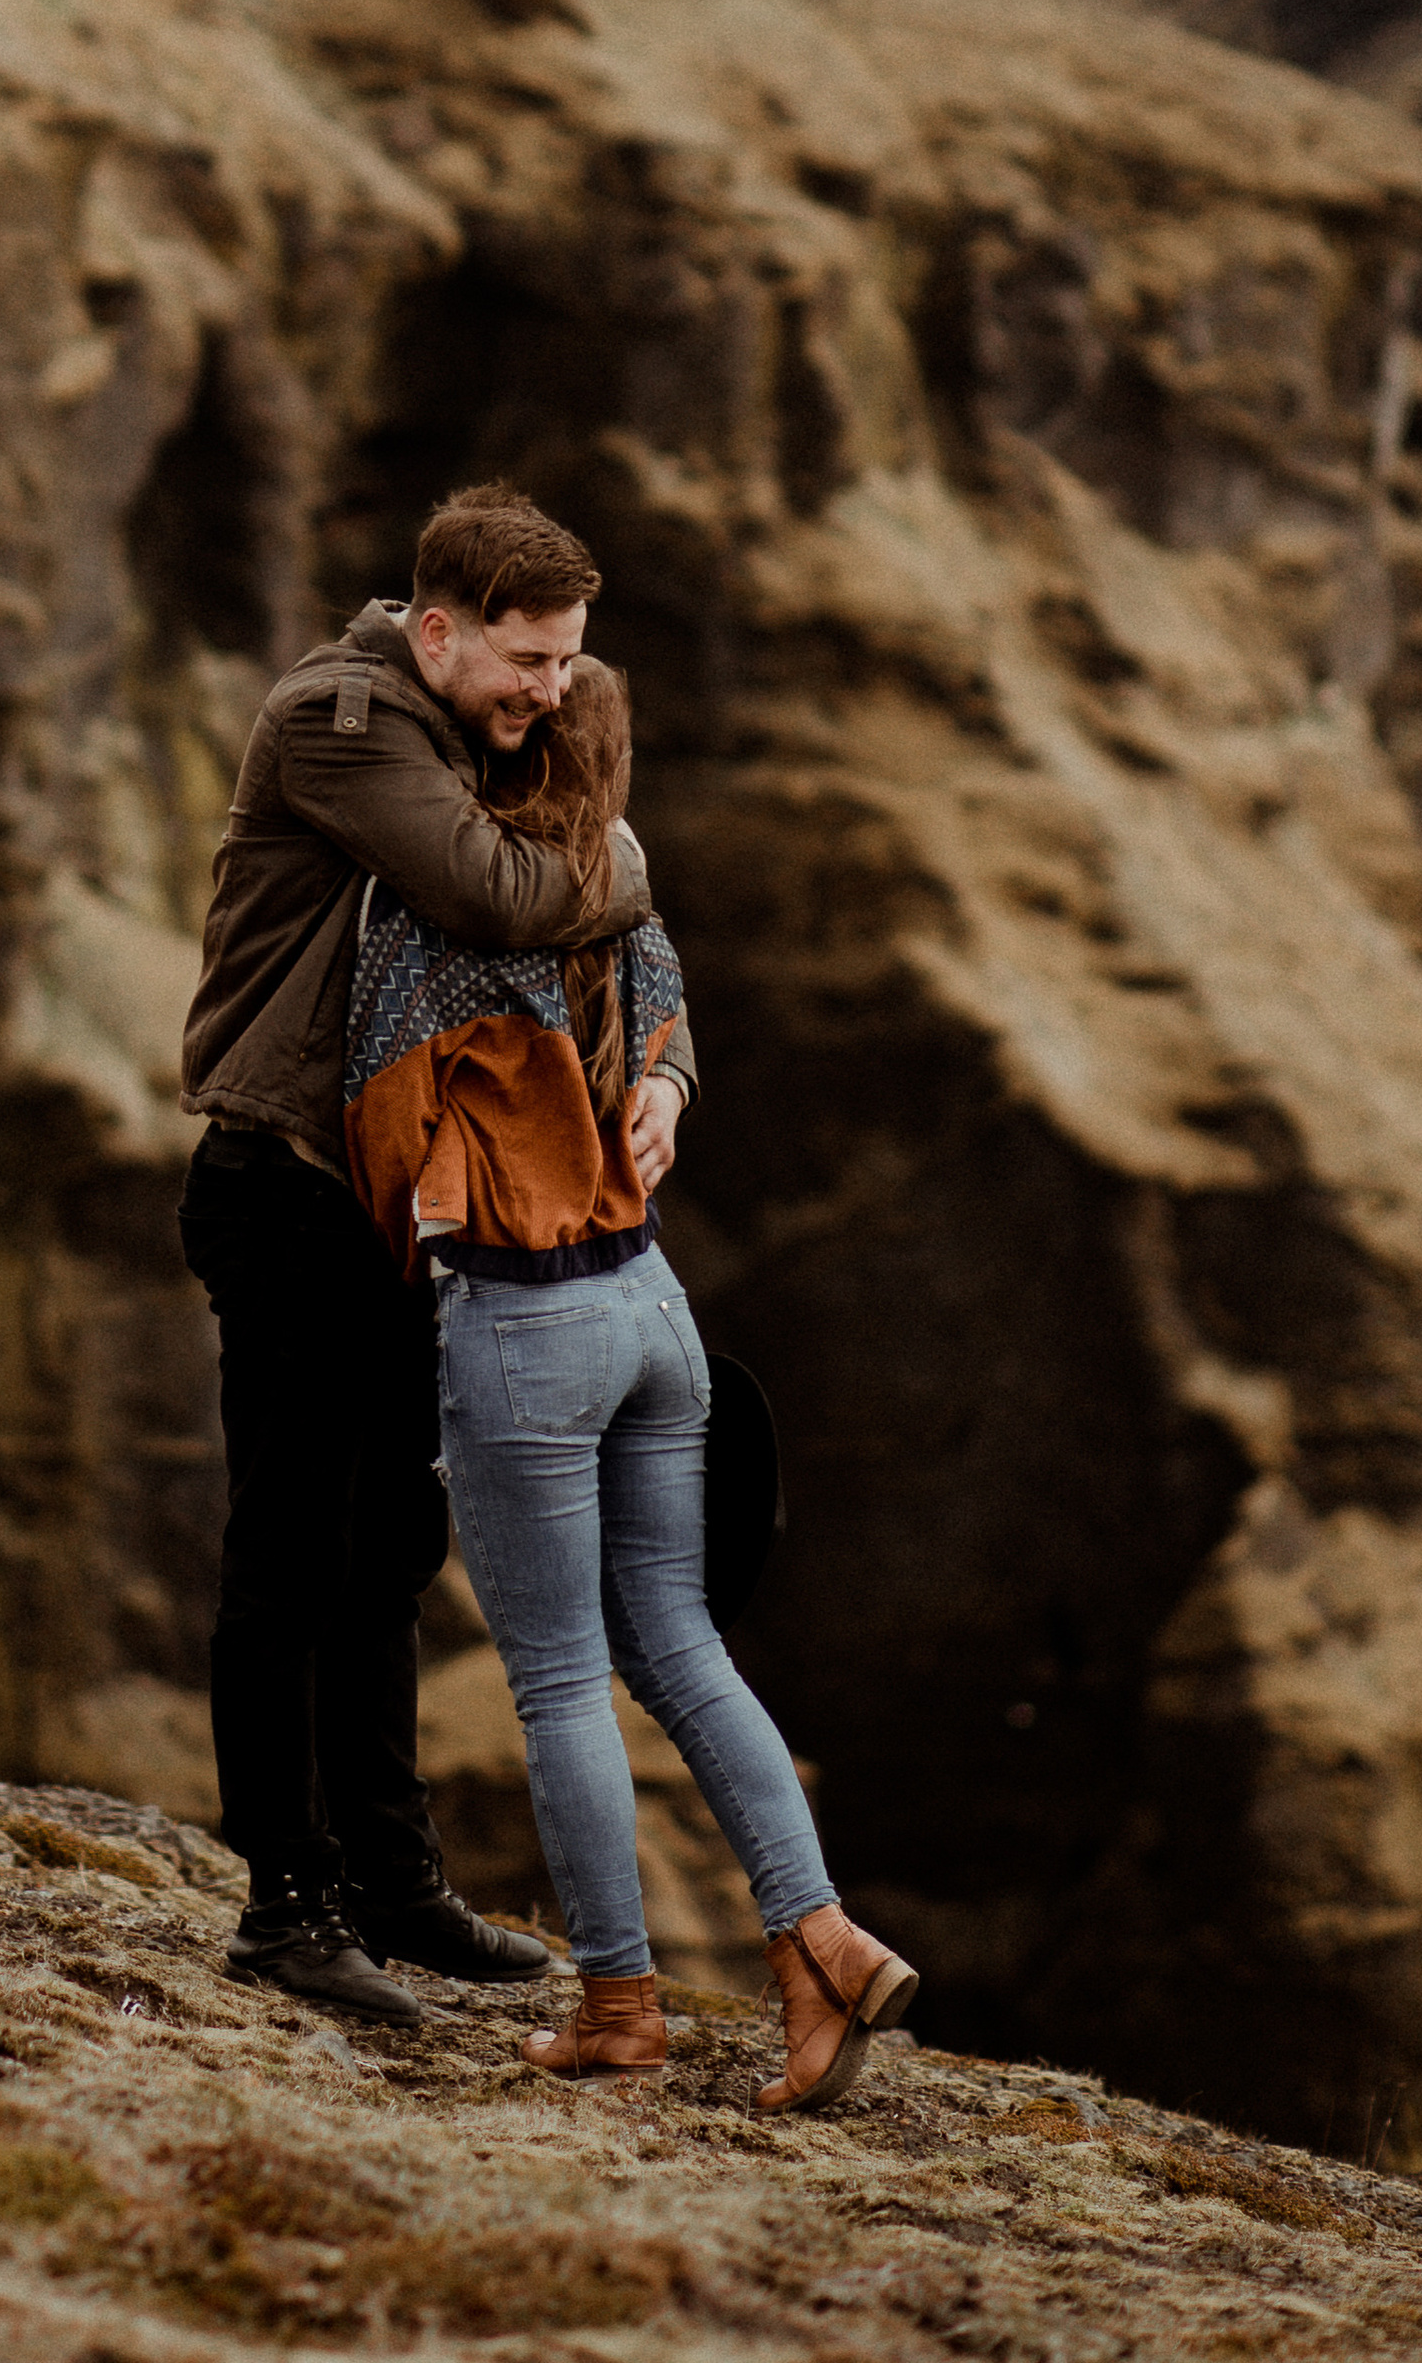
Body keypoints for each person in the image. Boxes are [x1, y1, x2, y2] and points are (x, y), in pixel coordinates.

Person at [342, 656, 920, 2109]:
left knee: (554, 1680)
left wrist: (419, 1200)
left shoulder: (448, 921)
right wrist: (658, 1086)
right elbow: (662, 1006)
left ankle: (617, 2005)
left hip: (527, 1325)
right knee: (679, 1642)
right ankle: (820, 1936)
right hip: (654, 1308)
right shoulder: (625, 894)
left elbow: (379, 1123)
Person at [176, 483, 695, 2026]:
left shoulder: (490, 737)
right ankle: (286, 1908)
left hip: (409, 1209)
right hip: (284, 1192)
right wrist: (632, 860)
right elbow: (498, 891)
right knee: (287, 1556)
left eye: (569, 662)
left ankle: (393, 1889)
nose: (553, 691)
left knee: (388, 1554)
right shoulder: (343, 722)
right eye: (529, 660)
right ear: (442, 627)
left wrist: (664, 1069)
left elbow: (618, 946)